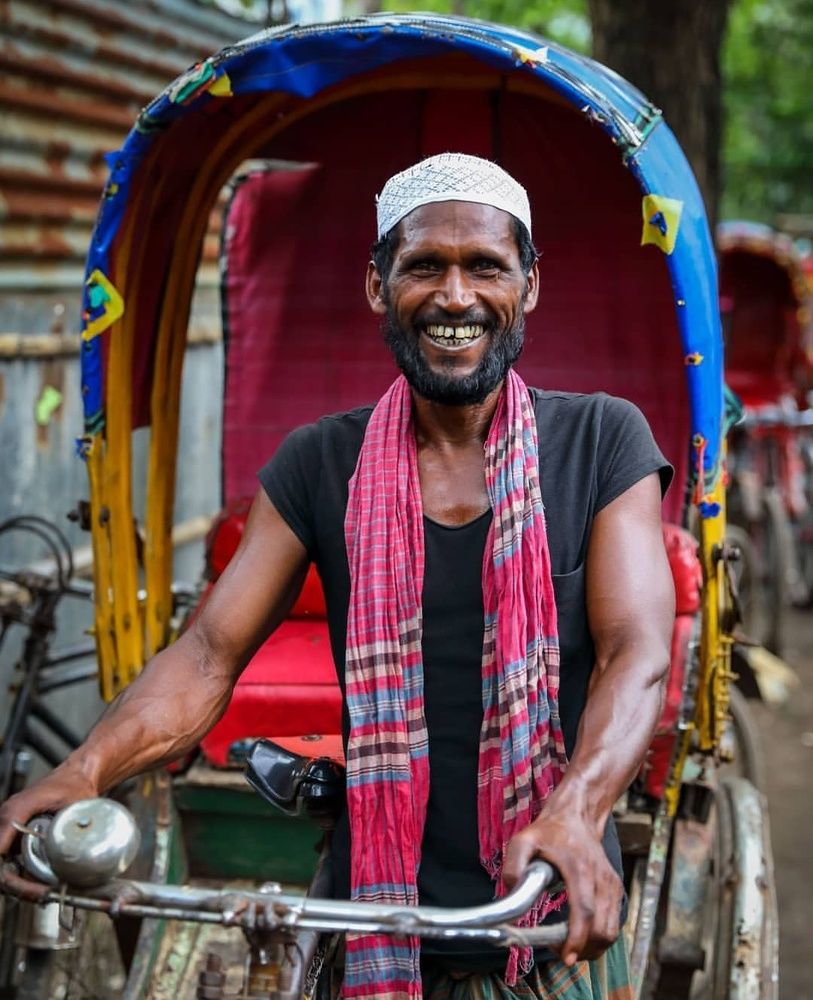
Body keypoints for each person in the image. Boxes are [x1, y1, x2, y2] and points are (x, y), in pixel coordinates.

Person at [0, 154, 675, 999]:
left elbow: (635, 652)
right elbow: (210, 651)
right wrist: (83, 771)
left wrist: (576, 813)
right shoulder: (320, 462)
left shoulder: (603, 441)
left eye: (486, 267)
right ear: (376, 285)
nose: (456, 297)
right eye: (423, 265)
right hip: (364, 915)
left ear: (529, 285)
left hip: (554, 905)